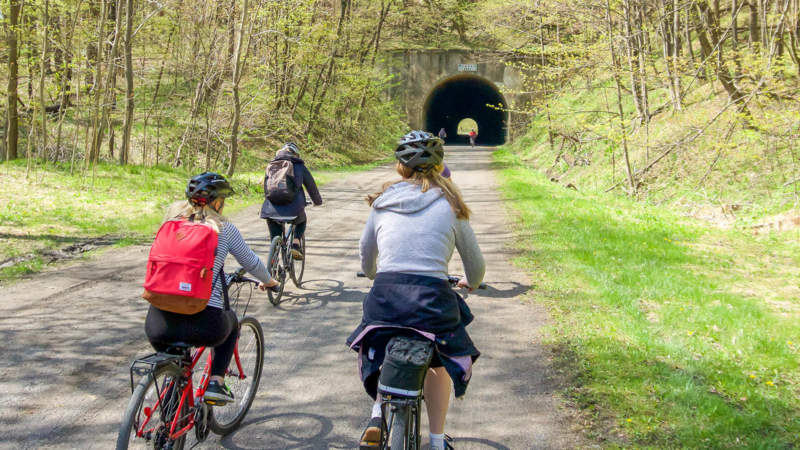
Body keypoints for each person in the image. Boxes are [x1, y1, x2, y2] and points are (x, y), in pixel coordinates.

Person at [348, 130, 485, 450]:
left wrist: (372, 274)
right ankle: (437, 442)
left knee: (379, 343)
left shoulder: (382, 202)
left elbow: (367, 256)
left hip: (385, 296)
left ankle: (376, 414)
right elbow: (475, 268)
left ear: (400, 167)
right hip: (433, 302)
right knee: (439, 360)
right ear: (439, 166)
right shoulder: (452, 205)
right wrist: (472, 283)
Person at [145, 172, 279, 404]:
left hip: (157, 324)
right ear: (217, 202)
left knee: (177, 357)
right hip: (205, 324)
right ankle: (216, 381)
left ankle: (170, 400)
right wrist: (269, 281)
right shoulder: (223, 229)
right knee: (233, 323)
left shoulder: (170, 224)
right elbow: (251, 263)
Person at [260, 142, 323, 260]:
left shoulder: (271, 165)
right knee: (302, 221)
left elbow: (266, 187)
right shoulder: (298, 165)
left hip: (271, 209)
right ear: (296, 154)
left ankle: (273, 258)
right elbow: (311, 185)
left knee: (275, 234)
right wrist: (317, 201)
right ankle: (295, 243)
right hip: (293, 209)